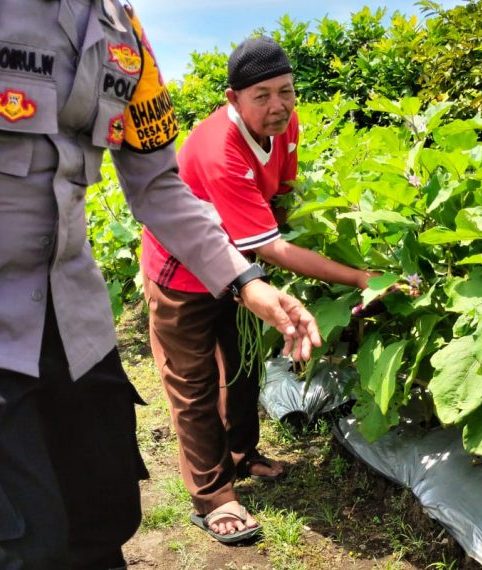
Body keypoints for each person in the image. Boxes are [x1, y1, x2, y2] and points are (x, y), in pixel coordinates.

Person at [0, 2, 321, 569]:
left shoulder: (122, 28)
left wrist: (245, 281)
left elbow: (158, 186)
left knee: (105, 518)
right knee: (27, 549)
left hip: (80, 328)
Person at [140, 36, 376, 544]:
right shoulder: (218, 150)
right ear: (233, 99)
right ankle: (213, 498)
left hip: (239, 268)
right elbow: (270, 247)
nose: (278, 106)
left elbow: (282, 196)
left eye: (286, 91)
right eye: (262, 95)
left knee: (244, 364)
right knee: (194, 383)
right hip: (181, 275)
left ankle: (241, 454)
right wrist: (359, 277)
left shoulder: (284, 125)